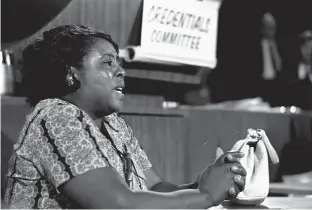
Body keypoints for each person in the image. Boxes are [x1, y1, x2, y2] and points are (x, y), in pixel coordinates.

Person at [4, 25, 246, 209]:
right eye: (107, 62)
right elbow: (119, 204)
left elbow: (155, 188)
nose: (120, 71)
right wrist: (205, 196)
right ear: (72, 74)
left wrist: (202, 183)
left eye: (118, 62)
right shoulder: (55, 116)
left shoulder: (113, 125)